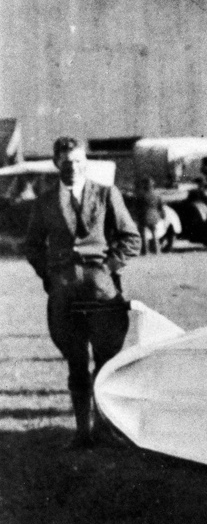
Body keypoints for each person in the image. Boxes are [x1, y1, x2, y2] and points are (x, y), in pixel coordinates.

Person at [22, 136, 140, 447]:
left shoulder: (105, 194)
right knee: (76, 361)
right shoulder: (45, 202)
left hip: (102, 294)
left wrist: (108, 269)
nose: (72, 167)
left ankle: (103, 426)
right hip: (64, 295)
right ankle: (82, 432)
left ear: (85, 162)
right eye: (65, 162)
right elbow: (32, 246)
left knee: (105, 361)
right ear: (55, 163)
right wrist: (50, 276)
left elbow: (131, 238)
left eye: (77, 161)